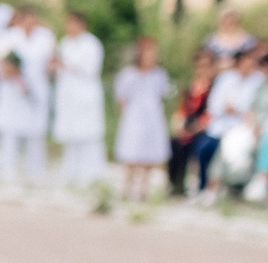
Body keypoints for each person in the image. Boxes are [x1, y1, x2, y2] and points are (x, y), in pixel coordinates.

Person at [0, 6, 53, 184]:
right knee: (10, 130)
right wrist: (6, 70)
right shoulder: (9, 36)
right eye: (26, 19)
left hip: (36, 87)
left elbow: (50, 60)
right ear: (20, 19)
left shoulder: (45, 37)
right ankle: (7, 170)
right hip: (12, 88)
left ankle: (36, 172)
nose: (30, 22)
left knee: (35, 131)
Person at [194, 44, 266, 200]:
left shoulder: (258, 81)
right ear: (239, 63)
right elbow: (214, 105)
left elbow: (254, 108)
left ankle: (223, 187)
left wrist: (237, 111)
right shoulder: (226, 79)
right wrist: (232, 110)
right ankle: (207, 186)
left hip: (245, 127)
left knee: (234, 146)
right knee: (207, 147)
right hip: (220, 126)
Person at [49, 11, 108, 187]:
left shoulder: (92, 44)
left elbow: (90, 69)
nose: (68, 27)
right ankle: (71, 174)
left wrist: (64, 63)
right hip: (68, 97)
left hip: (85, 97)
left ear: (80, 24)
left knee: (89, 137)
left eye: (71, 23)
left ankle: (92, 176)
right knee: (71, 137)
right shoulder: (64, 43)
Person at [112, 36, 171, 202]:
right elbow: (121, 98)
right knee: (131, 152)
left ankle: (144, 190)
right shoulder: (128, 75)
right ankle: (126, 188)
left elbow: (161, 95)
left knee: (149, 154)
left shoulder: (159, 75)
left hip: (152, 116)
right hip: (134, 116)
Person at [168, 49, 218, 197]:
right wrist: (179, 126)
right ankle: (175, 184)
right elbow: (182, 109)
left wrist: (195, 129)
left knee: (199, 146)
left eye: (205, 66)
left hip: (203, 129)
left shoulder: (214, 88)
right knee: (175, 144)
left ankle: (201, 186)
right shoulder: (191, 86)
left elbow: (211, 114)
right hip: (188, 126)